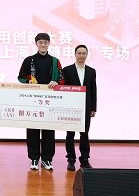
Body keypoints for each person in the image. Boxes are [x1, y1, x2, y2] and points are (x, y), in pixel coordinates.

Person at [18, 33, 63, 171]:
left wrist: (57, 82)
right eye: (40, 42)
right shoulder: (28, 60)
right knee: (32, 129)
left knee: (49, 130)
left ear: (49, 43)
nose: (43, 44)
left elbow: (62, 79)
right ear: (36, 44)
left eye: (45, 42)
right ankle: (34, 158)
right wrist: (28, 81)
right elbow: (20, 77)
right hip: (32, 100)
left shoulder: (55, 61)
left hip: (50, 101)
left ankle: (47, 159)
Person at [61, 44, 97, 171]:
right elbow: (63, 89)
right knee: (70, 135)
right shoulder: (67, 70)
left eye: (84, 53)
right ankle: (71, 160)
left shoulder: (91, 71)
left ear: (87, 55)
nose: (81, 55)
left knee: (84, 134)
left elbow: (93, 90)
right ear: (75, 54)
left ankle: (85, 160)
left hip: (86, 107)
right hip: (71, 107)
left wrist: (93, 108)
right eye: (79, 53)